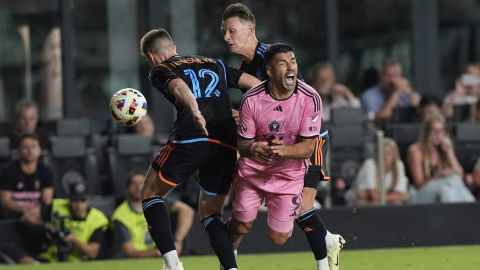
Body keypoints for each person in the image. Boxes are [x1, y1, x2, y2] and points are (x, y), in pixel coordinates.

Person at [222, 4, 344, 270]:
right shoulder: (246, 66)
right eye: (224, 32)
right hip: (276, 144)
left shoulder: (271, 55)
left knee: (303, 207)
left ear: (250, 30)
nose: (226, 37)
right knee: (287, 213)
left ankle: (326, 253)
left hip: (307, 139)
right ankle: (327, 241)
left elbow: (289, 99)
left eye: (232, 30)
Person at [139, 28, 260, 270]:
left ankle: (173, 264)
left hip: (192, 136)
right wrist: (244, 115)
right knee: (210, 213)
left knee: (150, 193)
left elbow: (180, 88)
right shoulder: (214, 63)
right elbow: (255, 85)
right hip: (226, 143)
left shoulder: (161, 70)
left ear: (152, 57)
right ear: (173, 47)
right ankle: (231, 268)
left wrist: (195, 112)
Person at [229, 42, 324, 264]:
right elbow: (242, 144)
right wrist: (253, 147)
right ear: (269, 71)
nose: (291, 68)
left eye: (293, 62)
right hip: (253, 171)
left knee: (278, 238)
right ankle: (226, 250)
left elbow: (309, 147)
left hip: (287, 175)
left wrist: (286, 151)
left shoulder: (310, 98)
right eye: (282, 63)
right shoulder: (251, 99)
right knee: (242, 225)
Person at [111, 170, 194, 258]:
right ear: (127, 188)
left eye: (141, 183)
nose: (138, 187)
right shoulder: (120, 215)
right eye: (133, 183)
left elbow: (187, 211)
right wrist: (160, 252)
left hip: (162, 254)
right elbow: (130, 252)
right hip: (137, 260)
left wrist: (178, 240)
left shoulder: (156, 203)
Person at [407, 114, 475, 204]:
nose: (438, 134)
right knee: (449, 184)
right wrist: (439, 175)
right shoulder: (416, 150)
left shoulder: (443, 150)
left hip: (444, 190)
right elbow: (419, 184)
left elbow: (460, 174)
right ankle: (473, 210)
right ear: (427, 132)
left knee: (450, 185)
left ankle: (469, 210)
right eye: (434, 130)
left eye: (441, 131)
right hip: (420, 194)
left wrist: (449, 151)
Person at [36, 181, 109, 262]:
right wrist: (46, 225)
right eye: (75, 201)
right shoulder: (57, 206)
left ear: (88, 201)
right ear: (69, 200)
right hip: (51, 257)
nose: (78, 206)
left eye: (82, 201)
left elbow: (92, 253)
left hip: (79, 261)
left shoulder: (97, 219)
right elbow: (29, 217)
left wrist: (73, 239)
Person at [0, 134, 53, 218]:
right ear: (18, 150)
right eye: (25, 147)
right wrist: (26, 210)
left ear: (39, 150)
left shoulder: (46, 172)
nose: (30, 151)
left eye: (33, 147)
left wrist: (36, 213)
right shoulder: (7, 171)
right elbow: (5, 201)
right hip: (12, 217)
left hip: (37, 216)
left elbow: (47, 201)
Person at [346, 138, 410, 206]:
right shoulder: (370, 164)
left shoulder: (398, 164)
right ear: (377, 154)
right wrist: (395, 196)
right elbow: (373, 196)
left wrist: (368, 195)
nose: (385, 157)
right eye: (383, 153)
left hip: (384, 204)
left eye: (389, 153)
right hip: (357, 205)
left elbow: (400, 193)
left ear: (394, 155)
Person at [361, 60, 420, 125]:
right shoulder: (369, 96)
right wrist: (395, 93)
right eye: (388, 76)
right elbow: (378, 120)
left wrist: (410, 93)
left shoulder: (406, 92)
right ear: (380, 76)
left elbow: (421, 113)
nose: (392, 80)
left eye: (395, 75)